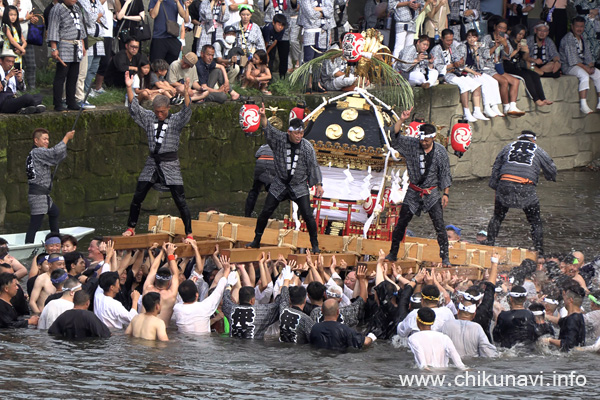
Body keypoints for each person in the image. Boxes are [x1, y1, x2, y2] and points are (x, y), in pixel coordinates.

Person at [123, 72, 194, 238]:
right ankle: (131, 228)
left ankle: (189, 233)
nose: (159, 114)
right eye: (156, 112)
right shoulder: (149, 117)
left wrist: (186, 92)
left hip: (170, 163)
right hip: (152, 163)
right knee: (138, 196)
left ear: (168, 109)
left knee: (180, 200)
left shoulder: (176, 120)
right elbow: (135, 108)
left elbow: (186, 110)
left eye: (162, 112)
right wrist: (129, 87)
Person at [246, 103, 324, 254]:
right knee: (266, 211)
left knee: (308, 215)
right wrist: (262, 116)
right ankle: (256, 240)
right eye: (296, 134)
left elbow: (314, 166)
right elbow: (268, 128)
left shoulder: (307, 147)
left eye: (301, 133)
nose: (299, 136)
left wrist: (318, 184)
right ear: (289, 132)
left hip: (299, 185)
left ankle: (315, 245)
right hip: (280, 183)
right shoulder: (280, 139)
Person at [384, 120, 451, 266]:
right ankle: (393, 253)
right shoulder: (412, 144)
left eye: (427, 140)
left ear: (433, 138)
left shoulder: (440, 151)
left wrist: (445, 193)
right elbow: (394, 138)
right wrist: (401, 120)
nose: (424, 143)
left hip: (431, 192)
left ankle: (445, 257)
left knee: (439, 224)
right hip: (413, 191)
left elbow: (445, 173)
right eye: (422, 140)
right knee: (401, 223)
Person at [484, 131, 557, 254]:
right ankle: (539, 251)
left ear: (519, 139)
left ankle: (489, 244)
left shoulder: (508, 147)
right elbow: (551, 168)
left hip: (504, 184)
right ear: (533, 140)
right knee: (535, 221)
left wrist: (495, 187)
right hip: (526, 187)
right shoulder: (538, 150)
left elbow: (496, 167)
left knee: (497, 217)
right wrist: (550, 177)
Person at [25, 128, 75, 244]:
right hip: (38, 196)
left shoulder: (37, 153)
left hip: (43, 195)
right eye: (44, 139)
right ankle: (28, 246)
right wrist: (66, 138)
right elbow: (54, 153)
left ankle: (56, 239)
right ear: (36, 141)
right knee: (35, 224)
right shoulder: (37, 152)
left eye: (48, 139)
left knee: (54, 212)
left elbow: (56, 157)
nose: (47, 141)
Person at [431, 29, 487, 122]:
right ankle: (466, 112)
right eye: (448, 40)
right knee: (464, 86)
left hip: (457, 72)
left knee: (476, 85)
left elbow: (459, 61)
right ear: (442, 39)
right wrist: (453, 65)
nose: (450, 42)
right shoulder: (436, 49)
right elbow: (438, 67)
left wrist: (460, 63)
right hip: (446, 74)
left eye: (451, 40)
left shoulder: (452, 47)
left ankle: (477, 111)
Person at [481, 18, 526, 116]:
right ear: (495, 27)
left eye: (504, 28)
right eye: (500, 27)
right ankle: (506, 107)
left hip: (498, 67)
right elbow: (485, 55)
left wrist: (505, 45)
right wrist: (496, 45)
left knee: (515, 81)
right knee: (504, 81)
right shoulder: (487, 38)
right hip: (486, 68)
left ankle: (513, 106)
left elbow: (508, 55)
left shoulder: (505, 38)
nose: (501, 30)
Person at [47, 0, 87, 111]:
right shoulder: (57, 9)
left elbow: (81, 29)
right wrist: (54, 47)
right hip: (64, 44)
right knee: (61, 75)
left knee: (74, 75)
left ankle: (71, 102)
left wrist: (83, 44)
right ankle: (58, 103)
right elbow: (53, 28)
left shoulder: (76, 8)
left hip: (77, 45)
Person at [172, 258, 230, 333]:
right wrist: (227, 271)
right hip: (203, 342)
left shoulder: (177, 308)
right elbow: (218, 290)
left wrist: (191, 283)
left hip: (184, 341)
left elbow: (181, 297)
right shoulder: (204, 307)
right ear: (197, 295)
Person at [459, 29, 505, 118]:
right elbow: (461, 65)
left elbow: (480, 66)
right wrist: (473, 72)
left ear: (477, 38)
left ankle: (494, 106)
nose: (472, 39)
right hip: (468, 72)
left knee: (494, 82)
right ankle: (486, 107)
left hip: (477, 71)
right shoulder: (462, 47)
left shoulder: (479, 47)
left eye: (474, 37)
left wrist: (476, 52)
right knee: (484, 83)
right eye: (469, 37)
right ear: (466, 39)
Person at [504, 24, 552, 107]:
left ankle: (543, 98)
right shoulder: (508, 42)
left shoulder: (522, 43)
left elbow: (525, 58)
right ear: (515, 33)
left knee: (534, 74)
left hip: (519, 65)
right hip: (509, 66)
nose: (521, 36)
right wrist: (517, 50)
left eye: (523, 34)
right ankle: (536, 100)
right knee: (526, 76)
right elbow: (506, 57)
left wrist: (526, 52)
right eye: (519, 34)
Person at [560, 16, 600, 114]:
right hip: (568, 66)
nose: (579, 29)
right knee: (584, 75)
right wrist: (586, 69)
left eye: (582, 26)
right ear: (572, 26)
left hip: (582, 65)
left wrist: (591, 67)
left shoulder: (582, 38)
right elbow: (573, 59)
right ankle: (583, 104)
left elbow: (588, 57)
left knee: (598, 73)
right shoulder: (568, 38)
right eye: (577, 26)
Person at [309, 298, 377, 350]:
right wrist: (371, 337)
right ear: (338, 311)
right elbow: (365, 342)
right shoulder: (344, 329)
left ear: (322, 311)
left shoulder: (315, 329)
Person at [142, 243, 181, 325]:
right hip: (162, 331)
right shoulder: (170, 295)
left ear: (155, 279)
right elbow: (175, 274)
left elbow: (153, 269)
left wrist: (162, 251)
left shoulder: (147, 290)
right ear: (169, 283)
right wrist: (170, 254)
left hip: (142, 328)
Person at [544, 282, 586, 351]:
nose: (564, 301)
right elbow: (561, 322)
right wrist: (545, 316)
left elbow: (569, 344)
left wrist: (549, 340)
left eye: (565, 298)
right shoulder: (577, 316)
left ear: (570, 300)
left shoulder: (573, 319)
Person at [244, 144, 275, 217]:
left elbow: (257, 155)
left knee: (255, 190)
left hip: (260, 164)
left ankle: (247, 214)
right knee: (273, 192)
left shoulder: (264, 146)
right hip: (272, 163)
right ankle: (265, 215)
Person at [263, 5, 291, 78]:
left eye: (282, 25)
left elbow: (275, 41)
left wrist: (267, 53)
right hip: (264, 43)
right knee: (266, 58)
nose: (280, 27)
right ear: (273, 23)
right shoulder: (268, 29)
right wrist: (265, 53)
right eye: (278, 25)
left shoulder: (282, 29)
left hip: (271, 42)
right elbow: (266, 42)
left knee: (272, 57)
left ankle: (275, 77)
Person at [2, 5, 26, 70]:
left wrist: (20, 50)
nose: (13, 17)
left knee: (17, 71)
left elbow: (24, 42)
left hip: (17, 53)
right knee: (9, 71)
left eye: (15, 15)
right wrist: (22, 49)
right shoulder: (6, 26)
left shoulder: (17, 27)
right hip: (8, 52)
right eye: (11, 15)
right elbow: (12, 41)